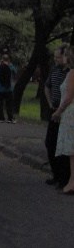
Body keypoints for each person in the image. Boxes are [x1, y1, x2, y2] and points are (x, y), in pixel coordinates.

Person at [44, 45, 71, 188]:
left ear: (66, 57)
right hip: (54, 110)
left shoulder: (70, 73)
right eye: (54, 57)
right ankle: (56, 174)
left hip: (65, 112)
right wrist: (50, 105)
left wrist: (61, 110)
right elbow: (47, 87)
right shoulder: (54, 70)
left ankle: (64, 178)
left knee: (63, 146)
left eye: (58, 57)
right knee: (50, 143)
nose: (56, 60)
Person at [52, 45, 74, 194]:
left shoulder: (72, 73)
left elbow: (68, 97)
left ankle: (71, 183)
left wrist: (58, 112)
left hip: (70, 113)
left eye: (65, 55)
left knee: (72, 151)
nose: (64, 58)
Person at [0, 53, 16, 123]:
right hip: (8, 88)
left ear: (2, 59)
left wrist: (0, 65)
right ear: (8, 59)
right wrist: (11, 65)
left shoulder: (0, 67)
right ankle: (10, 118)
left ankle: (1, 118)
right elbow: (15, 71)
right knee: (9, 104)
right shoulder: (10, 67)